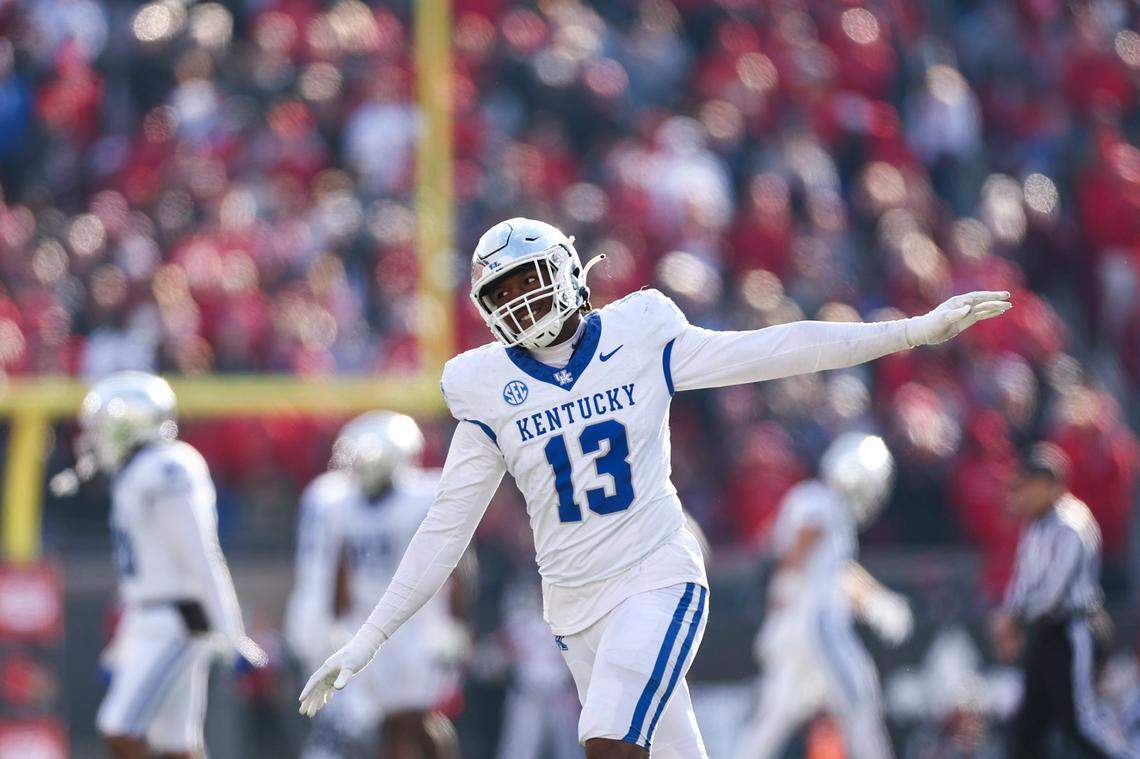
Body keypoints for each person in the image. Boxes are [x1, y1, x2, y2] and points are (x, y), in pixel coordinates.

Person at [299, 217, 1012, 759]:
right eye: (501, 292)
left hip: (656, 572)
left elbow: (770, 349)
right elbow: (443, 533)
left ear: (568, 270)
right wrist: (367, 639)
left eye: (527, 280)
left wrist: (909, 332)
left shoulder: (641, 331)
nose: (518, 302)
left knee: (606, 737)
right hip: (574, 606)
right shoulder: (488, 387)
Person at [80, 371, 265, 759]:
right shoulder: (135, 474)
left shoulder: (167, 467)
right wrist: (121, 645)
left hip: (176, 621)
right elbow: (146, 576)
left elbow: (200, 554)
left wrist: (232, 634)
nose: (97, 438)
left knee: (119, 729)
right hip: (151, 618)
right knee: (178, 746)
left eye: (104, 427)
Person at [285, 411, 467, 759]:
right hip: (368, 623)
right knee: (385, 722)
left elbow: (458, 563)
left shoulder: (422, 497)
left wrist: (455, 624)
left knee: (416, 718)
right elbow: (340, 568)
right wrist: (337, 622)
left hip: (418, 623)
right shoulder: (340, 505)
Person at [736, 433, 912, 759]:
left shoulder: (820, 501)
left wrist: (875, 601)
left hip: (796, 630)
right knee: (860, 704)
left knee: (771, 722)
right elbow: (800, 545)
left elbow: (836, 570)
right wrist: (785, 583)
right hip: (816, 628)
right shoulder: (820, 500)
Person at [990, 443, 1136, 759]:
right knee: (1029, 727)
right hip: (1045, 633)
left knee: (1081, 723)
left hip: (1075, 630)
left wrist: (1013, 619)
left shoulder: (1072, 523)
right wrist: (1010, 615)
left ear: (1046, 484)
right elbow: (1023, 578)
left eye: (1026, 485)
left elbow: (1055, 591)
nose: (1021, 494)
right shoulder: (1036, 523)